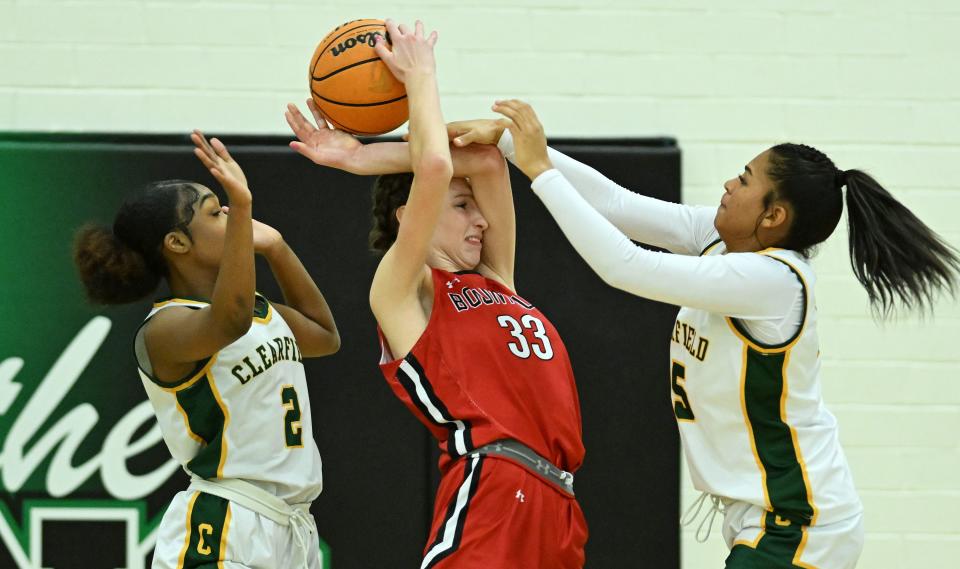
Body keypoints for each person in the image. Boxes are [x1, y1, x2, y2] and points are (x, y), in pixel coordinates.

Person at [444, 100, 960, 569]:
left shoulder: (774, 281)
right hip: (762, 516)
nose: (729, 185)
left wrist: (538, 168)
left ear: (773, 216)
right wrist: (510, 144)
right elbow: (616, 205)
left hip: (801, 524)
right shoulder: (721, 241)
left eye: (745, 179)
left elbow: (623, 266)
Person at [285, 21, 587, 569]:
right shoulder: (404, 290)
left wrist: (361, 157)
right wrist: (421, 76)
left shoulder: (498, 279)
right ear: (409, 217)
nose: (478, 220)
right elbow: (436, 166)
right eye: (460, 207)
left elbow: (488, 159)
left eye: (474, 206)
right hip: (493, 482)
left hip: (558, 503)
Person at [73, 131, 340, 569]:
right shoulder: (165, 328)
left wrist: (275, 247)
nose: (232, 216)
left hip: (291, 527)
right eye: (217, 212)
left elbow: (325, 336)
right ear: (177, 243)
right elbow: (227, 320)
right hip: (224, 523)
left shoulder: (257, 309)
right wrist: (246, 208)